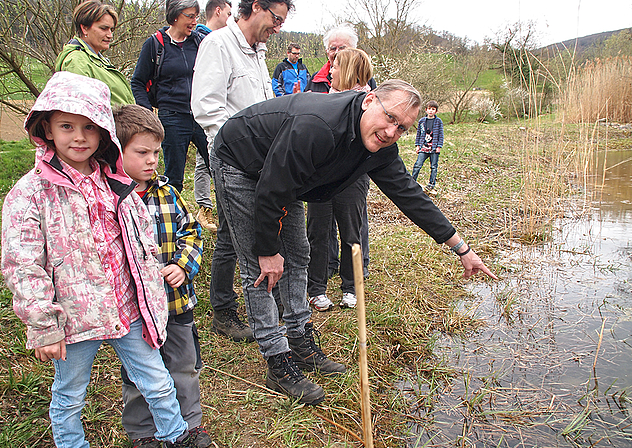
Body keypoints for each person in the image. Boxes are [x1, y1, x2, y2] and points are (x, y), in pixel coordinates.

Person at [209, 79, 497, 404]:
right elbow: (271, 188)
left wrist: (462, 248)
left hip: (281, 173)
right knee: (261, 267)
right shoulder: (318, 126)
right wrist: (267, 249)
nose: (392, 132)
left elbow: (410, 195)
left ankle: (300, 342)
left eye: (402, 128)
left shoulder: (380, 147)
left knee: (299, 254)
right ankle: (277, 362)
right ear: (369, 100)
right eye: (390, 118)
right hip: (241, 160)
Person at [1, 71, 196, 448]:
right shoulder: (29, 194)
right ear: (46, 127)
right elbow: (23, 264)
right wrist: (43, 324)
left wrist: (152, 299)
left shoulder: (116, 183)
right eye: (66, 126)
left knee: (157, 379)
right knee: (70, 393)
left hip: (126, 308)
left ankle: (177, 437)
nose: (78, 137)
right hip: (73, 319)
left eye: (89, 128)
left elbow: (143, 249)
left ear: (104, 132)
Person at [191, 0, 293, 343]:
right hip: (232, 160)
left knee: (237, 233)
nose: (278, 28)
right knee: (233, 237)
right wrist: (243, 151)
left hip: (262, 161)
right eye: (275, 18)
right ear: (255, 7)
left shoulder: (257, 53)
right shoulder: (218, 44)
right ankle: (223, 311)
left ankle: (269, 303)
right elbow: (206, 108)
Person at [114, 104, 212, 448]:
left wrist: (183, 265)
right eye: (142, 152)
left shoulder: (169, 194)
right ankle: (143, 431)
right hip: (135, 313)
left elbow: (192, 233)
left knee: (183, 366)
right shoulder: (111, 200)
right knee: (140, 371)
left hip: (176, 304)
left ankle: (189, 426)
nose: (152, 159)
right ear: (116, 150)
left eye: (156, 151)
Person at [130, 0, 217, 234]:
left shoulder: (200, 42)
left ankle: (221, 219)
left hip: (201, 116)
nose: (194, 21)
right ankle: (174, 227)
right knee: (174, 177)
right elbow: (137, 81)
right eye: (190, 16)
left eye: (196, 16)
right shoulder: (155, 45)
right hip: (172, 117)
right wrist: (148, 115)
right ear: (175, 16)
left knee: (218, 165)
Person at [305, 23, 374, 283]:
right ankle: (326, 269)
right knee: (320, 225)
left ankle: (356, 272)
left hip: (352, 169)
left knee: (352, 221)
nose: (335, 53)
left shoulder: (366, 86)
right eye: (332, 48)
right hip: (322, 168)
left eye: (341, 48)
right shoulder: (318, 79)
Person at [55, 0, 135, 106]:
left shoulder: (97, 59)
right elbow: (83, 109)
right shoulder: (77, 61)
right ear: (84, 28)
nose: (110, 35)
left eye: (111, 29)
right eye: (103, 28)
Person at [411, 100, 444, 191]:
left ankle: (431, 184)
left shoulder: (438, 122)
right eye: (429, 109)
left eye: (433, 109)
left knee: (433, 166)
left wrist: (439, 146)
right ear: (426, 110)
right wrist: (417, 145)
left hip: (433, 148)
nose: (431, 111)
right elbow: (418, 134)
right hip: (423, 147)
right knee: (418, 165)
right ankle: (412, 181)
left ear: (436, 111)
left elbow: (441, 134)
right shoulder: (422, 121)